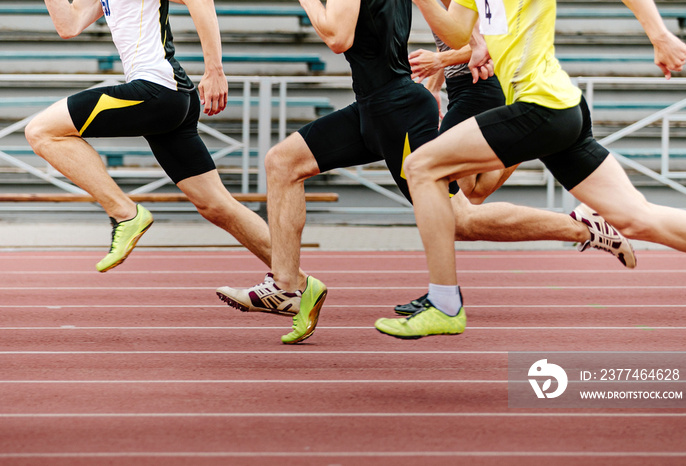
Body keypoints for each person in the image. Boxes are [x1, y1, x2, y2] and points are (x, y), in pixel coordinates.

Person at [215, 0, 633, 343]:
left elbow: (337, 37)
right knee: (282, 162)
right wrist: (448, 68)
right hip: (374, 108)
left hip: (396, 111)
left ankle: (585, 228)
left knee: (460, 219)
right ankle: (289, 286)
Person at [375, 0, 686, 339]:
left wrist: (659, 35)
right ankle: (444, 303)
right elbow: (456, 33)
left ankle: (443, 304)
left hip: (542, 105)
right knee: (637, 218)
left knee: (421, 166)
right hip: (559, 108)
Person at [394, 0, 636, 315]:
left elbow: (482, 43)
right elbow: (453, 39)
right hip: (463, 89)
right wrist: (434, 86)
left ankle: (440, 296)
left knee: (452, 192)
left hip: (482, 88)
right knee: (474, 193)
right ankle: (534, 149)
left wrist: (438, 61)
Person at [25, 0, 292, 280]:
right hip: (168, 96)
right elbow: (70, 24)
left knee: (41, 131)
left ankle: (125, 213)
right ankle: (295, 282)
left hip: (157, 90)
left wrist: (214, 70)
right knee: (216, 205)